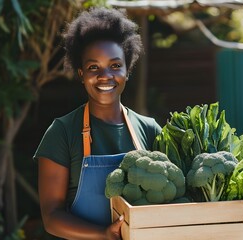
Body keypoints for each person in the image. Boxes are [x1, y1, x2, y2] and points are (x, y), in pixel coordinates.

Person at [34, 7, 162, 239]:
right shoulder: (62, 132)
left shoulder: (150, 129)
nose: (105, 75)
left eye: (115, 66)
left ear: (127, 70)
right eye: (94, 67)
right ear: (81, 73)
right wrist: (103, 234)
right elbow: (51, 217)